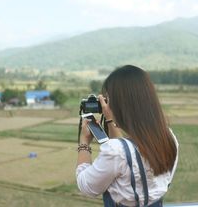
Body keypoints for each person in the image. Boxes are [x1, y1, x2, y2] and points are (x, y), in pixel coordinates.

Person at [76, 65, 179, 207]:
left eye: (108, 100)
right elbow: (124, 153)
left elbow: (86, 186)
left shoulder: (117, 151)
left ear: (120, 104)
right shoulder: (169, 137)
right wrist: (111, 120)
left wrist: (84, 143)